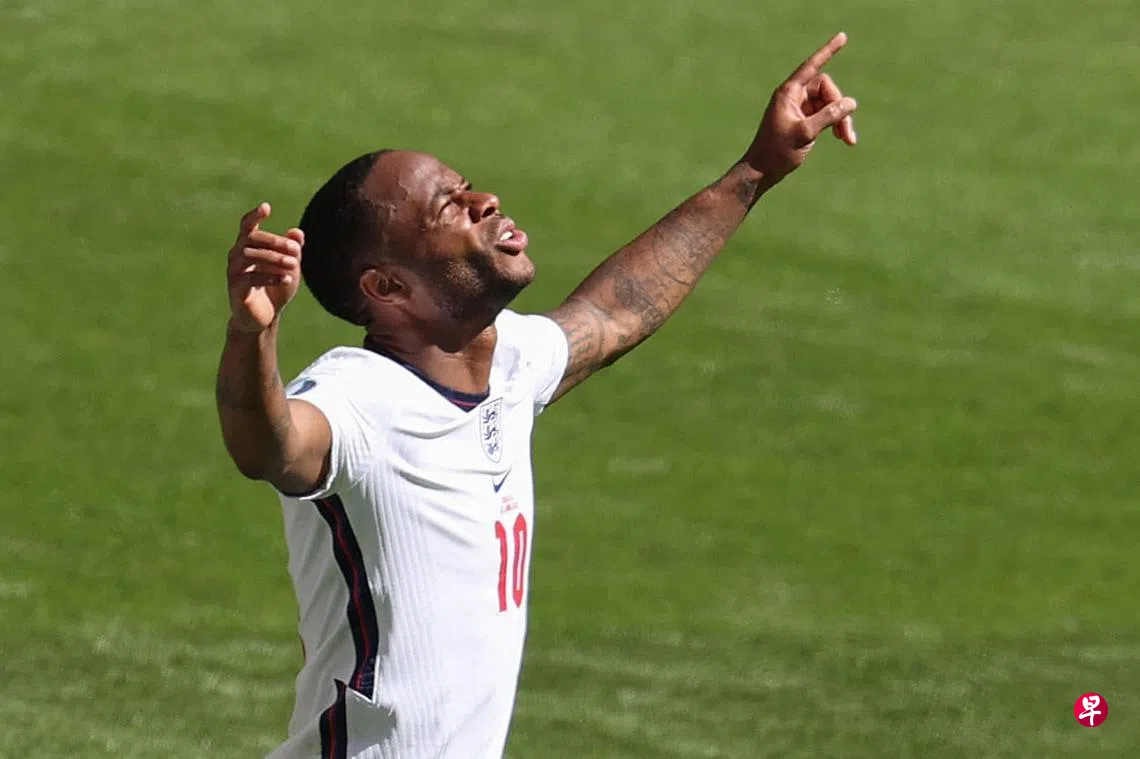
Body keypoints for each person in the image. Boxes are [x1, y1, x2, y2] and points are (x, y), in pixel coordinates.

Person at [216, 33, 858, 759]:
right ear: (387, 286)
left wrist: (758, 168)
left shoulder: (511, 363)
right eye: (449, 207)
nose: (485, 200)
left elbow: (618, 310)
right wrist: (252, 334)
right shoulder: (359, 397)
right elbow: (269, 447)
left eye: (467, 187)